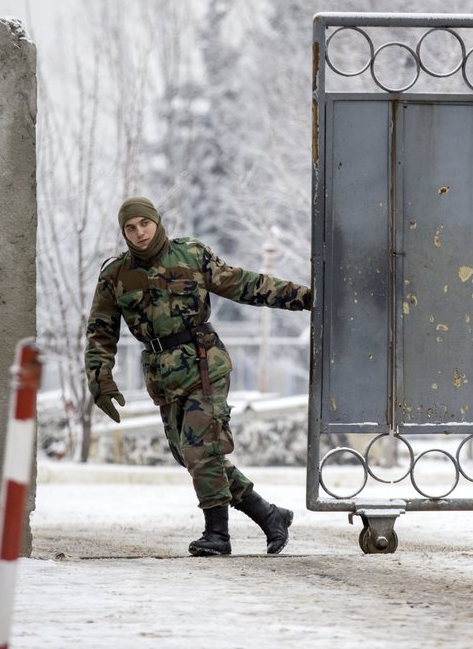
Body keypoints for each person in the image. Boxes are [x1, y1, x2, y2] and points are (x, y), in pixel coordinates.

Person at [84, 196, 312, 556]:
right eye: (130, 228)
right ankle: (269, 515)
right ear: (124, 233)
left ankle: (217, 536)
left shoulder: (190, 254)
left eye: (144, 224)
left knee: (199, 448)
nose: (139, 232)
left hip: (203, 362)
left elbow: (243, 284)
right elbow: (100, 331)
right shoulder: (115, 275)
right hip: (160, 373)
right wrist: (100, 380)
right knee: (188, 453)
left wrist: (304, 297)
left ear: (156, 223)